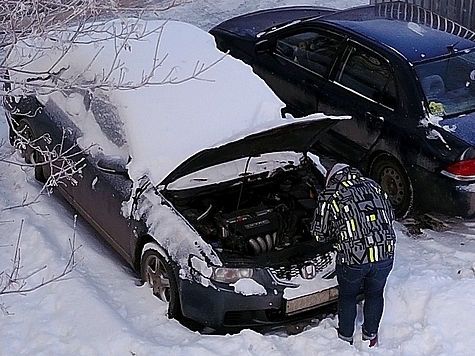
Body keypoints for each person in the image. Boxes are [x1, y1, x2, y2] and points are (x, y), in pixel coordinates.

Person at [311, 163, 396, 347]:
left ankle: (345, 337)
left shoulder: (331, 193)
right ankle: (370, 336)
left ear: (332, 178)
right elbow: (390, 215)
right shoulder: (374, 185)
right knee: (375, 293)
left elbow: (319, 234)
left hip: (354, 258)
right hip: (384, 253)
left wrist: (337, 232)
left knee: (348, 295)